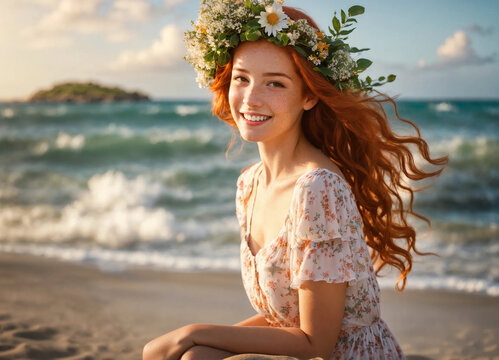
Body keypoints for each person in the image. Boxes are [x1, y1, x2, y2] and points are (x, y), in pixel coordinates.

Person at [143, 1, 448, 359]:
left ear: (308, 96)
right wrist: (196, 342)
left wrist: (193, 333)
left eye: (275, 83)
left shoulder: (318, 188)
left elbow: (316, 341)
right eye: (242, 78)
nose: (251, 98)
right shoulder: (249, 184)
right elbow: (282, 317)